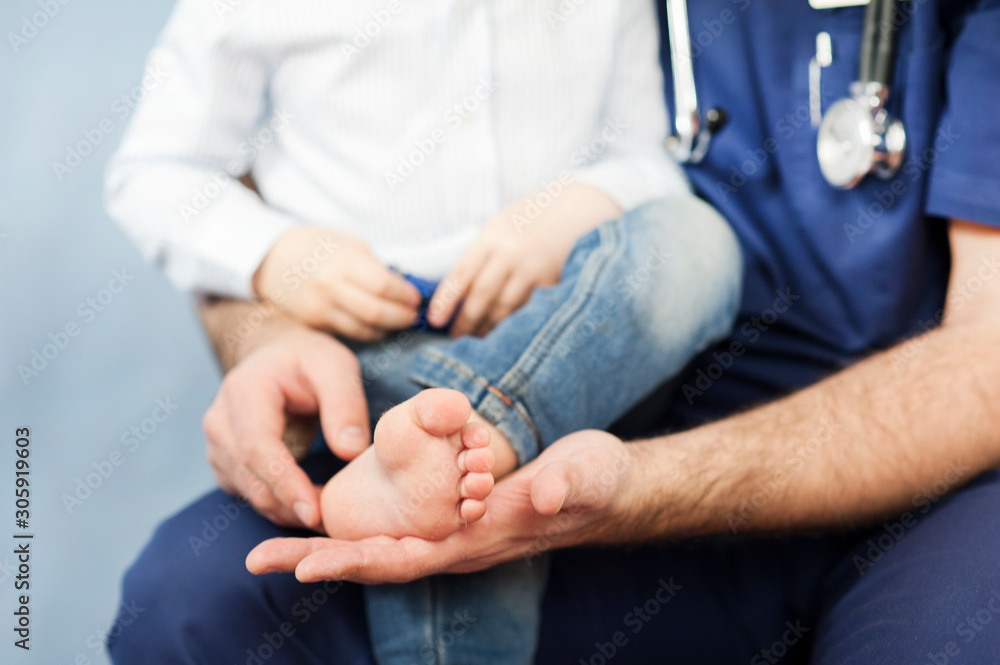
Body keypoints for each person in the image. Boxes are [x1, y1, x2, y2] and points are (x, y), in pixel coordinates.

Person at [108, 0, 1000, 663]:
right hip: (519, 397)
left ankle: (474, 438)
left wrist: (588, 206)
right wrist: (263, 320)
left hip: (897, 476)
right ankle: (454, 448)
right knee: (194, 596)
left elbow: (985, 366)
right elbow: (192, 174)